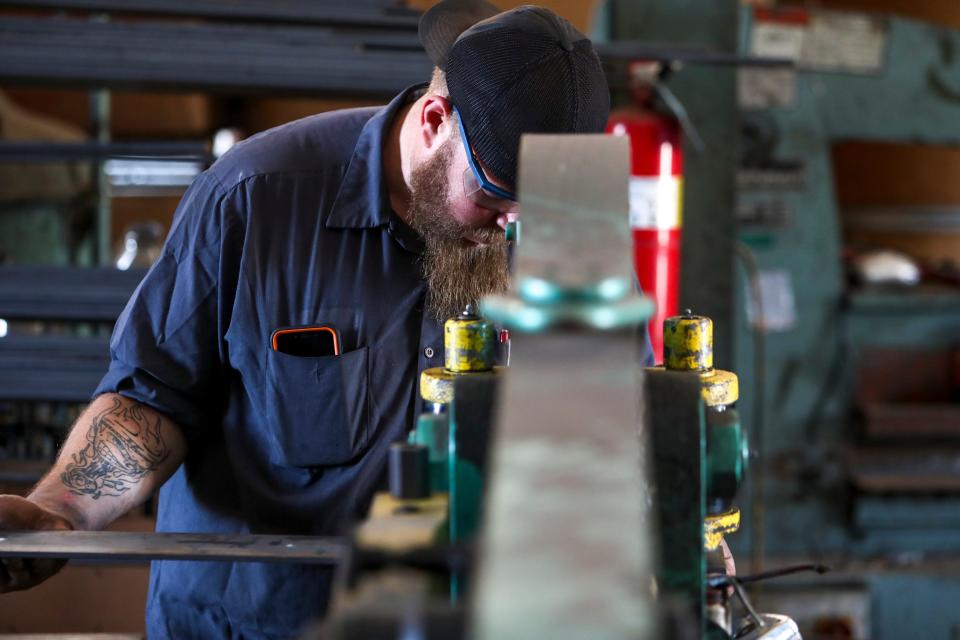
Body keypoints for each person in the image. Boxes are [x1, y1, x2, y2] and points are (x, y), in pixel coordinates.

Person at [0, 1, 644, 637]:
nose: (518, 230)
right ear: (434, 121)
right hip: (261, 625)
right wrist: (62, 509)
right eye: (498, 200)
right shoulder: (254, 201)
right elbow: (154, 402)